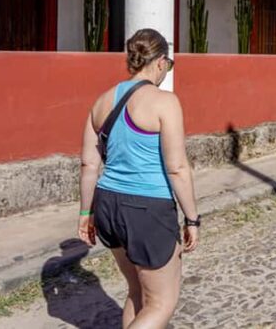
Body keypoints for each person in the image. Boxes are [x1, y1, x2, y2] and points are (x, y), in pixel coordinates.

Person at [78, 29, 199, 328]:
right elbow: (177, 168)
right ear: (159, 62)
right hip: (147, 209)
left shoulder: (101, 102)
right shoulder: (164, 102)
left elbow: (88, 164)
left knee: (138, 293)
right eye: (168, 66)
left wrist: (85, 213)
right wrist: (192, 219)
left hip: (107, 204)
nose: (166, 72)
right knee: (161, 302)